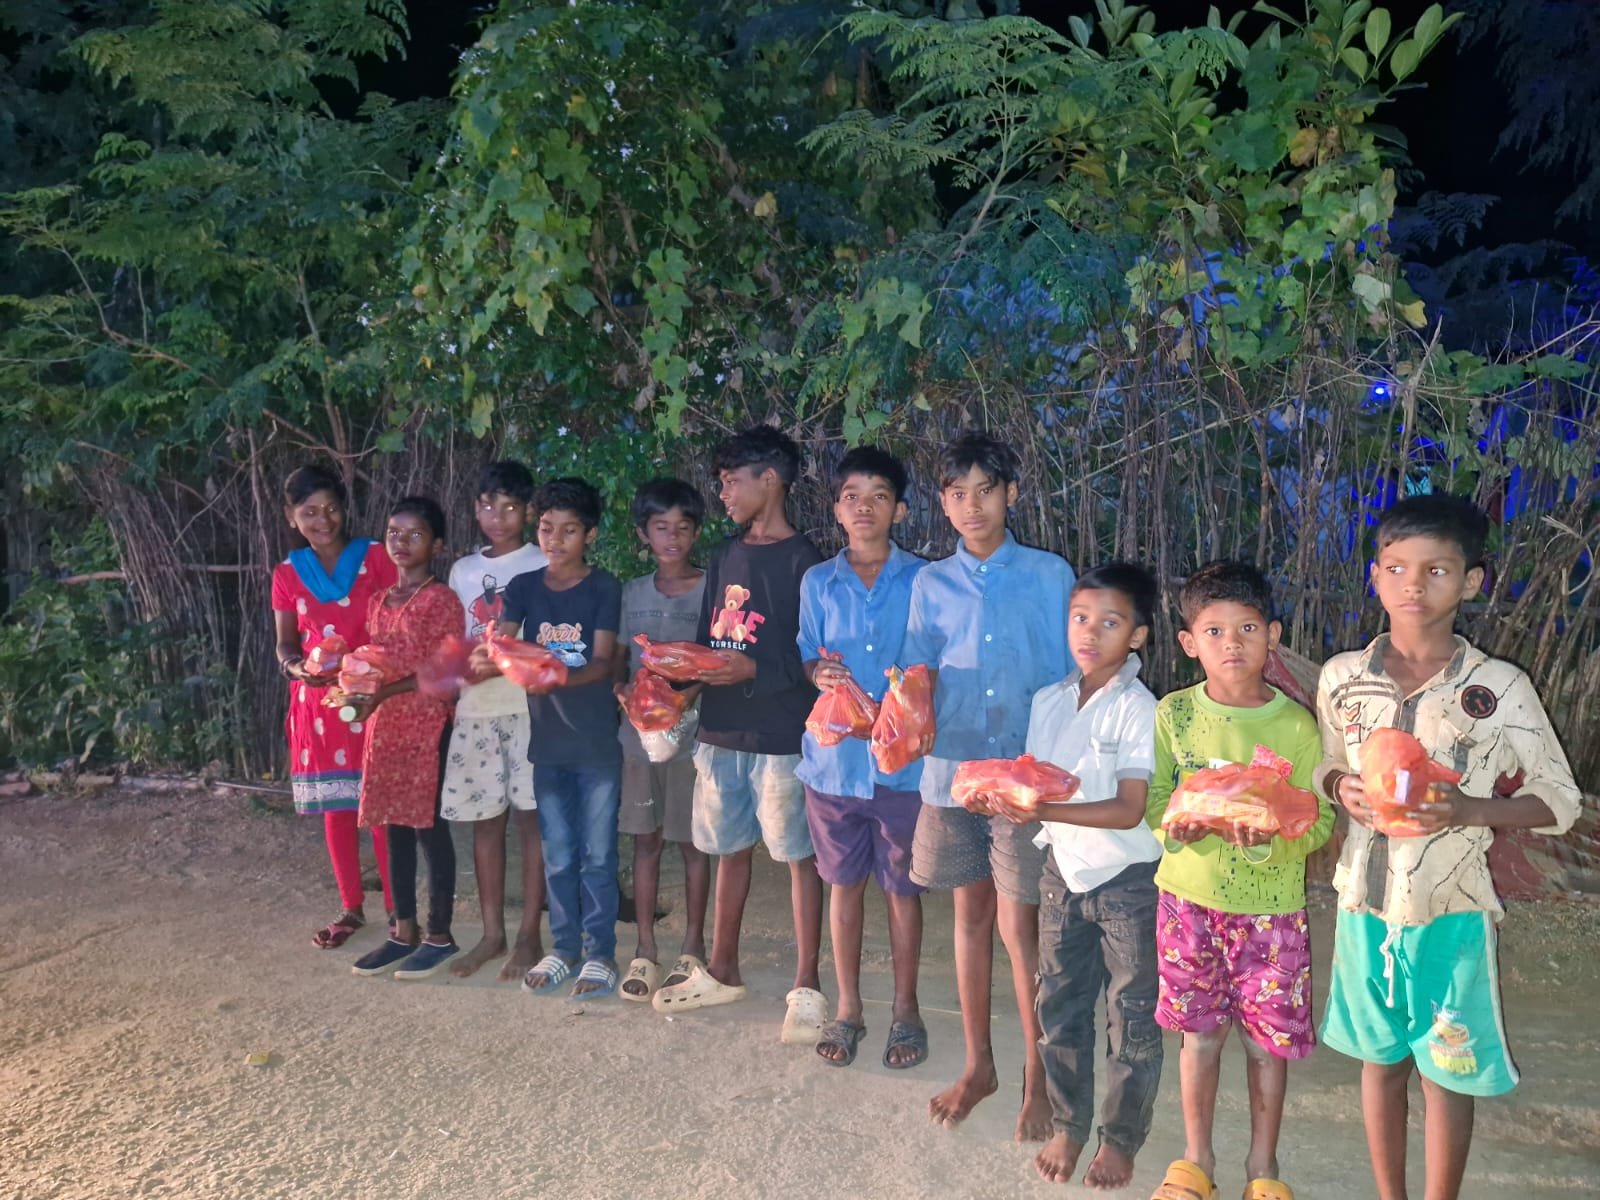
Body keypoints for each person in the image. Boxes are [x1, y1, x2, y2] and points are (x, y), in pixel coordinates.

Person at [1313, 495, 1581, 1200]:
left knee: (1447, 1072)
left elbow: (1560, 800)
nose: (1414, 585)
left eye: (1437, 570)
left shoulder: (1497, 688)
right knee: (1379, 1063)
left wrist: (1469, 809)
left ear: (1471, 582)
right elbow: (1325, 762)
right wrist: (1339, 785)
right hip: (1363, 906)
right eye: (1398, 568)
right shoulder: (1343, 679)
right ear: (1375, 576)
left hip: (1451, 914)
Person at [901, 429, 1076, 1142]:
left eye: (985, 491)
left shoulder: (1050, 574)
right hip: (951, 776)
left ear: (1012, 495)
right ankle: (979, 1066)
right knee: (969, 917)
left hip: (1024, 779)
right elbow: (917, 673)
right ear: (942, 504)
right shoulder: (930, 583)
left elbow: (1072, 673)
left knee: (1020, 925)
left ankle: (1038, 1074)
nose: (972, 506)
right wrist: (895, 717)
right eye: (957, 493)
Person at [1145, 561, 1333, 1200]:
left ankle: (1263, 1167)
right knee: (1198, 1038)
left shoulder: (1296, 727)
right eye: (1215, 631)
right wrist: (1176, 830)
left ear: (1273, 636)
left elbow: (1317, 820)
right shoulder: (1174, 714)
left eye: (1248, 628)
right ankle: (1196, 1159)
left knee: (1265, 1046)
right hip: (1187, 905)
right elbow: (1157, 802)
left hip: (1271, 914)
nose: (1233, 644)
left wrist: (1270, 844)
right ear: (1188, 642)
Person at [651, 426, 827, 1048]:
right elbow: (709, 641)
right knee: (728, 848)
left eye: (732, 482)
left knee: (799, 857)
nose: (723, 494)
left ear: (770, 480)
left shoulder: (806, 562)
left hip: (781, 735)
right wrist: (674, 690)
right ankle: (722, 969)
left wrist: (754, 669)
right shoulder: (726, 555)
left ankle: (807, 986)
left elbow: (813, 656)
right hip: (721, 730)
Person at [992, 564, 1165, 1188]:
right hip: (1061, 874)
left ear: (1138, 636)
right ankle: (1070, 1123)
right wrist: (1002, 794)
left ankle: (1120, 1139)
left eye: (1110, 622)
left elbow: (1129, 808)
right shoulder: (1049, 700)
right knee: (1059, 1005)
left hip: (1128, 881)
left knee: (1132, 1013)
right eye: (1080, 619)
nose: (1090, 633)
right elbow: (1036, 781)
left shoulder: (1139, 708)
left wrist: (1041, 810)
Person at [797, 447, 929, 1069]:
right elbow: (806, 651)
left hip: (903, 766)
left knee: (902, 888)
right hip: (834, 765)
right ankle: (848, 1008)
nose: (864, 507)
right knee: (843, 886)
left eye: (879, 496)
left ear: (899, 509)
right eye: (852, 496)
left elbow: (933, 659)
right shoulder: (818, 582)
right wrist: (817, 673)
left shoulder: (924, 579)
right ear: (836, 509)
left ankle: (906, 1009)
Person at [497, 478, 625, 1000]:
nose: (555, 540)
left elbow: (602, 663)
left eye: (569, 530)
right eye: (547, 529)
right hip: (547, 746)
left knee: (598, 856)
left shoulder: (604, 587)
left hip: (595, 746)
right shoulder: (523, 587)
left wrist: (549, 675)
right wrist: (496, 655)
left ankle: (600, 953)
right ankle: (564, 947)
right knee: (558, 856)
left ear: (589, 535)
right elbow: (503, 644)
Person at [271, 464, 397, 950]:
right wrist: (295, 668)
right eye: (309, 512)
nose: (322, 520)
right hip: (319, 704)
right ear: (291, 517)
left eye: (331, 509)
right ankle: (350, 908)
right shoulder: (286, 574)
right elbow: (286, 643)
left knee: (379, 807)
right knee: (337, 808)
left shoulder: (376, 557)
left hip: (372, 697)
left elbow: (397, 622)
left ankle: (398, 911)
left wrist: (373, 668)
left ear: (344, 509)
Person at [348, 497, 467, 979]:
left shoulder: (442, 600)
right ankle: (403, 931)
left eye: (415, 534)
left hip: (427, 722)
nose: (401, 541)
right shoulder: (379, 600)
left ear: (436, 545)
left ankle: (440, 935)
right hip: (384, 724)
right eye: (394, 532)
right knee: (391, 824)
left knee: (428, 827)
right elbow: (377, 661)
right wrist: (354, 684)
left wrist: (381, 692)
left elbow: (446, 669)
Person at [440, 462, 549, 981]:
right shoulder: (462, 570)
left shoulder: (542, 559)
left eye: (509, 507)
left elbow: (551, 637)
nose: (497, 516)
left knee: (533, 822)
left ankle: (529, 933)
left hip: (529, 709)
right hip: (476, 710)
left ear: (528, 512)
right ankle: (491, 933)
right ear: (475, 509)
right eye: (488, 505)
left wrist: (509, 660)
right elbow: (456, 641)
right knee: (486, 822)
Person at [612, 478, 711, 1002]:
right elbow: (618, 659)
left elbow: (720, 658)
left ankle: (692, 947)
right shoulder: (632, 593)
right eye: (661, 527)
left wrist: (687, 694)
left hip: (693, 738)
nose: (672, 538)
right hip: (639, 739)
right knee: (644, 838)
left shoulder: (713, 590)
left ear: (696, 533)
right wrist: (622, 691)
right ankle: (645, 948)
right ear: (643, 534)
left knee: (693, 841)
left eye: (682, 527)